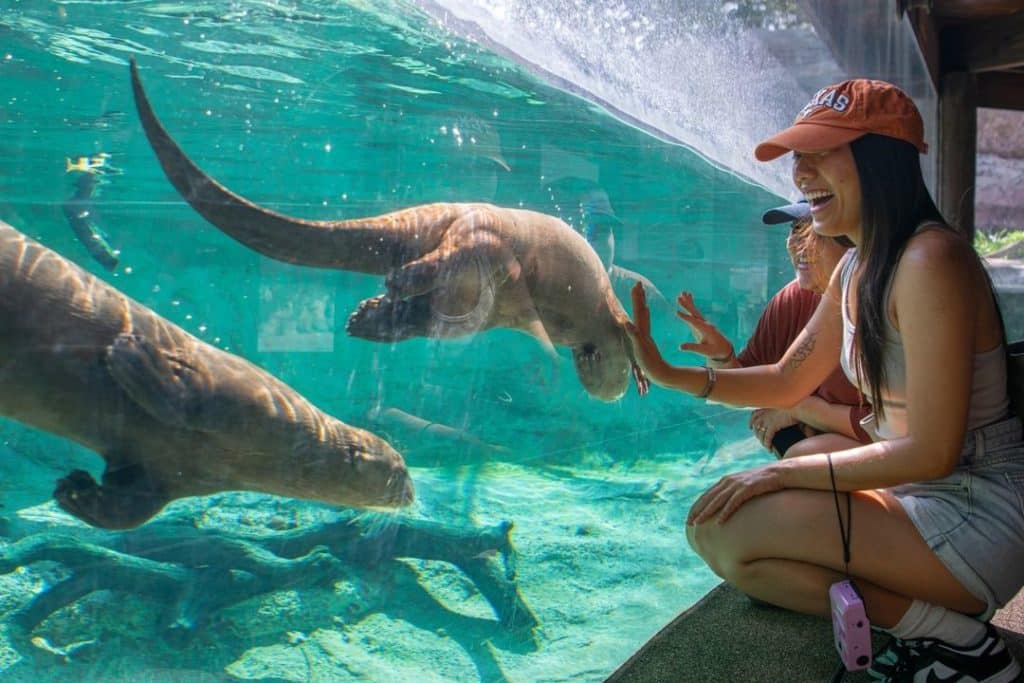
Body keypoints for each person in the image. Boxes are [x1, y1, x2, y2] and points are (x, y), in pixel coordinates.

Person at [626, 79, 1024, 681]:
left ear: (879, 157)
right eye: (798, 158)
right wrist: (667, 371)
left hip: (974, 514)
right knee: (727, 529)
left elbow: (935, 453)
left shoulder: (929, 262)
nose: (800, 173)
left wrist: (779, 472)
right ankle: (928, 620)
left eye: (819, 154)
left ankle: (950, 636)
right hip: (921, 496)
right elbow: (787, 380)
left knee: (721, 529)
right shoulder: (860, 266)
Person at [677, 200, 870, 457]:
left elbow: (894, 427)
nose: (794, 242)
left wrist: (797, 409)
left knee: (795, 454)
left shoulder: (873, 304)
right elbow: (750, 394)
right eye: (793, 229)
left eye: (811, 231)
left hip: (894, 462)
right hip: (835, 446)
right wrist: (720, 357)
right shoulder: (792, 300)